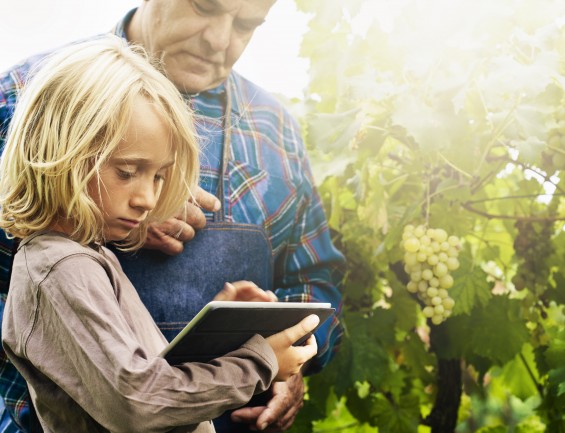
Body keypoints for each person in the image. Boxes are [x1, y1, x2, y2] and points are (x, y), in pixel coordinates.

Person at [0, 0, 345, 432]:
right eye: (204, 7)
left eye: (246, 25)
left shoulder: (276, 129)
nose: (220, 39)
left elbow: (315, 278)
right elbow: (134, 396)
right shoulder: (24, 94)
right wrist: (87, 214)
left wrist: (286, 360)